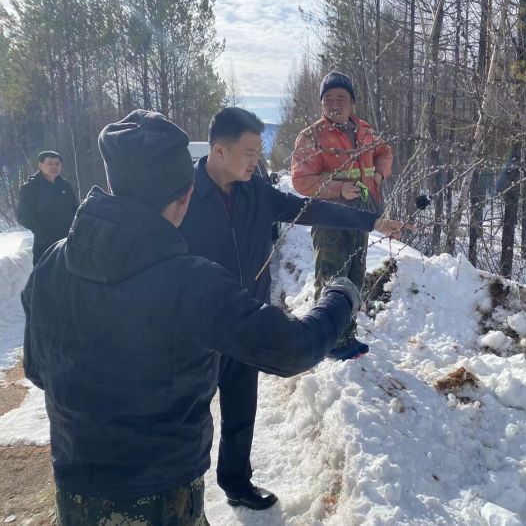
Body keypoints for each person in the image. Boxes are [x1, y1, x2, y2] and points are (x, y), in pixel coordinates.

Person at [22, 110, 361, 525]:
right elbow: (291, 349)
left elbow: (38, 370)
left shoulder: (52, 264)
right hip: (161, 496)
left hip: (76, 492)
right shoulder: (188, 281)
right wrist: (340, 298)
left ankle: (237, 480)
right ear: (185, 196)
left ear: (114, 185)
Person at [179, 106, 406, 510]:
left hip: (246, 318)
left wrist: (370, 222)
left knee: (240, 410)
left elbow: (311, 209)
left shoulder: (257, 191)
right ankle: (182, 497)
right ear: (218, 151)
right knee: (188, 415)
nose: (256, 160)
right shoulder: (183, 194)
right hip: (194, 323)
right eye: (249, 152)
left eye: (258, 152)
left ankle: (237, 482)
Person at [291, 71, 393, 350]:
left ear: (352, 103)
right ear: (321, 103)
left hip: (361, 218)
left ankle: (346, 335)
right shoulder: (311, 136)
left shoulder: (364, 130)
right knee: (331, 281)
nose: (335, 104)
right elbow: (300, 180)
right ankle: (325, 342)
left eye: (341, 98)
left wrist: (381, 175)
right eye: (328, 99)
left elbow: (385, 152)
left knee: (354, 277)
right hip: (330, 223)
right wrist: (338, 188)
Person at [16, 150, 79, 264]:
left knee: (69, 279)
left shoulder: (65, 186)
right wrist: (42, 232)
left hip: (68, 243)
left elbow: (76, 210)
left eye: (57, 164)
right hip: (44, 245)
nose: (54, 167)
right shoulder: (30, 188)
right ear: (40, 165)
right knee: (45, 278)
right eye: (50, 163)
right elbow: (23, 216)